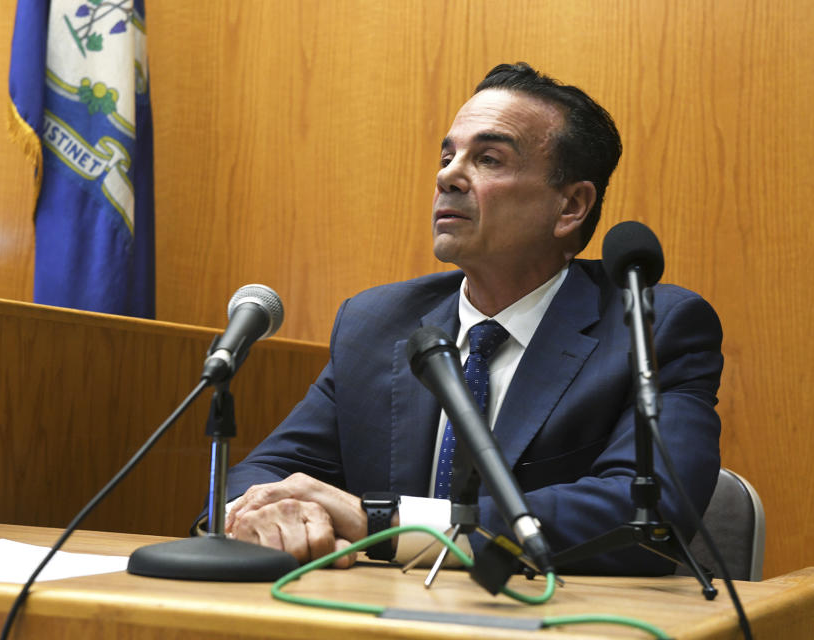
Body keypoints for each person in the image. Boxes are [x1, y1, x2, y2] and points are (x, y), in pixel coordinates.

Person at [217, 62, 723, 575]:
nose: (447, 175)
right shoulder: (377, 324)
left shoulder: (651, 329)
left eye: (488, 158)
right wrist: (271, 514)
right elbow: (262, 473)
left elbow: (650, 515)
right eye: (447, 155)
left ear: (570, 206)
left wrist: (387, 524)